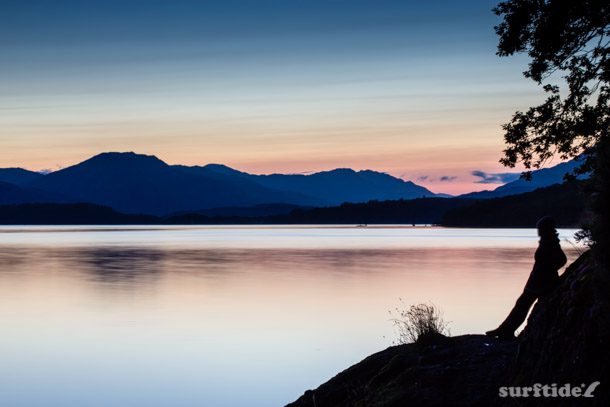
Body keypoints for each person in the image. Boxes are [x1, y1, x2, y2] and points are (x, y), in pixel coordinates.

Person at [486, 216, 567, 340]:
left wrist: (548, 270)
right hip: (536, 281)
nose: (538, 231)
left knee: (522, 305)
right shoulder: (548, 241)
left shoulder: (550, 243)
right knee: (521, 305)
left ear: (546, 229)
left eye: (540, 228)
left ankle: (505, 331)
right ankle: (504, 329)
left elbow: (561, 260)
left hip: (541, 283)